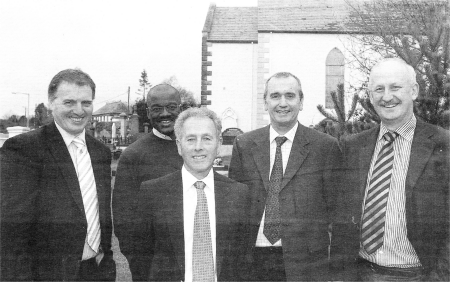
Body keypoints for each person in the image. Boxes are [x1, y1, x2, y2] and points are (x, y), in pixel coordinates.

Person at [335, 58, 449, 281]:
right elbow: (341, 219)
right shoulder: (353, 146)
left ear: (414, 91)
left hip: (418, 275)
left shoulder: (442, 143)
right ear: (370, 96)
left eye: (395, 87)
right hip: (360, 273)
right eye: (379, 89)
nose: (387, 97)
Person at [0, 69, 116, 281]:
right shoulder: (24, 149)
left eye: (86, 103)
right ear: (51, 104)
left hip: (95, 273)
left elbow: (101, 216)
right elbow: (11, 233)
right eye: (69, 102)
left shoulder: (101, 152)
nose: (79, 111)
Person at [228, 72, 341, 281]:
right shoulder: (244, 145)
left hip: (306, 265)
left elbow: (337, 212)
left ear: (301, 101)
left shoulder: (324, 147)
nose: (283, 103)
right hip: (252, 261)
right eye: (275, 96)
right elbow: (234, 207)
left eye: (290, 96)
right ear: (265, 102)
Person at [124, 107, 250, 281]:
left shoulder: (238, 194)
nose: (198, 147)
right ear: (179, 145)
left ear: (219, 144)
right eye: (191, 139)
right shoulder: (153, 193)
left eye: (206, 138)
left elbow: (243, 260)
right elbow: (141, 257)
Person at [112, 84, 185, 255]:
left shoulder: (195, 148)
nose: (165, 113)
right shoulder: (133, 155)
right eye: (157, 108)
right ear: (148, 111)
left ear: (180, 109)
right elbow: (123, 218)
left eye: (171, 107)